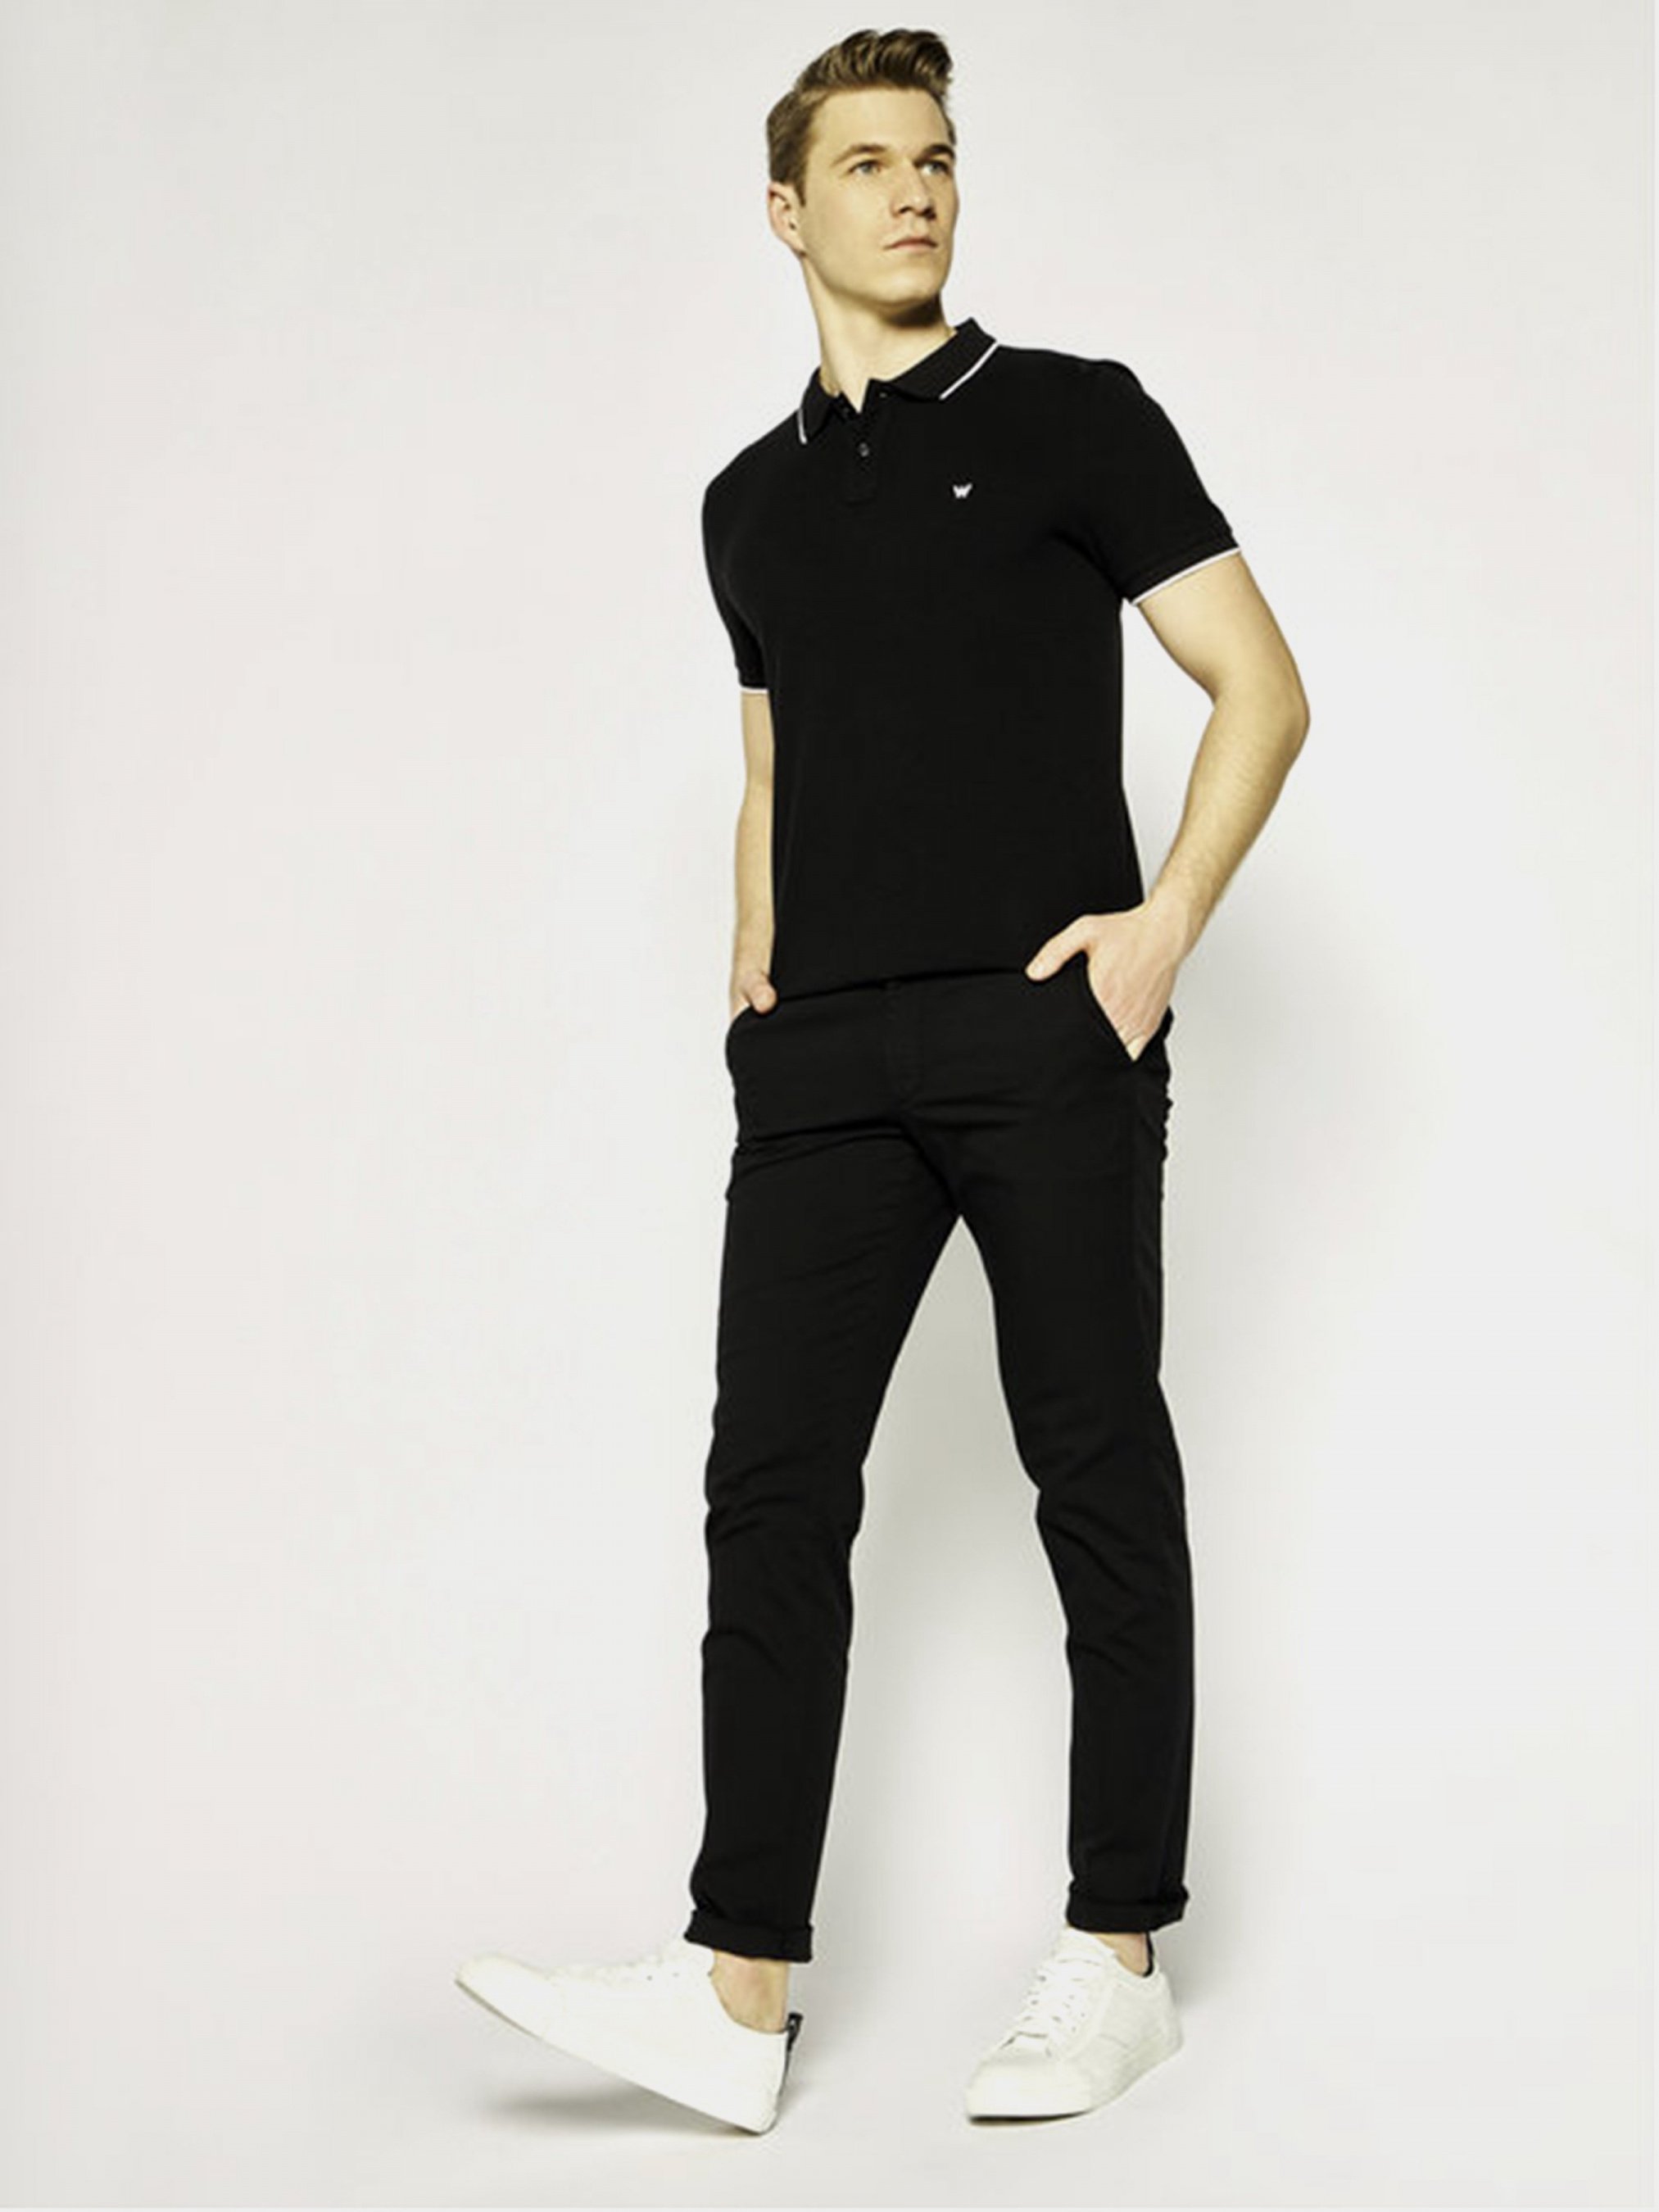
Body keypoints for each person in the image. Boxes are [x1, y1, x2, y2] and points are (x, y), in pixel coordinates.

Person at [457, 25, 1309, 2135]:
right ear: (787, 209)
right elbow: (775, 755)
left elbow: (1261, 688)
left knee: (1093, 1465)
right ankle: (737, 1992)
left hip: (1043, 1030)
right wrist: (757, 973)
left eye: (934, 157)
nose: (914, 189)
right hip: (825, 1059)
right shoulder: (747, 505)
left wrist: (1158, 932)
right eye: (866, 162)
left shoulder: (1076, 418)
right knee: (771, 1491)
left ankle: (1120, 1953)